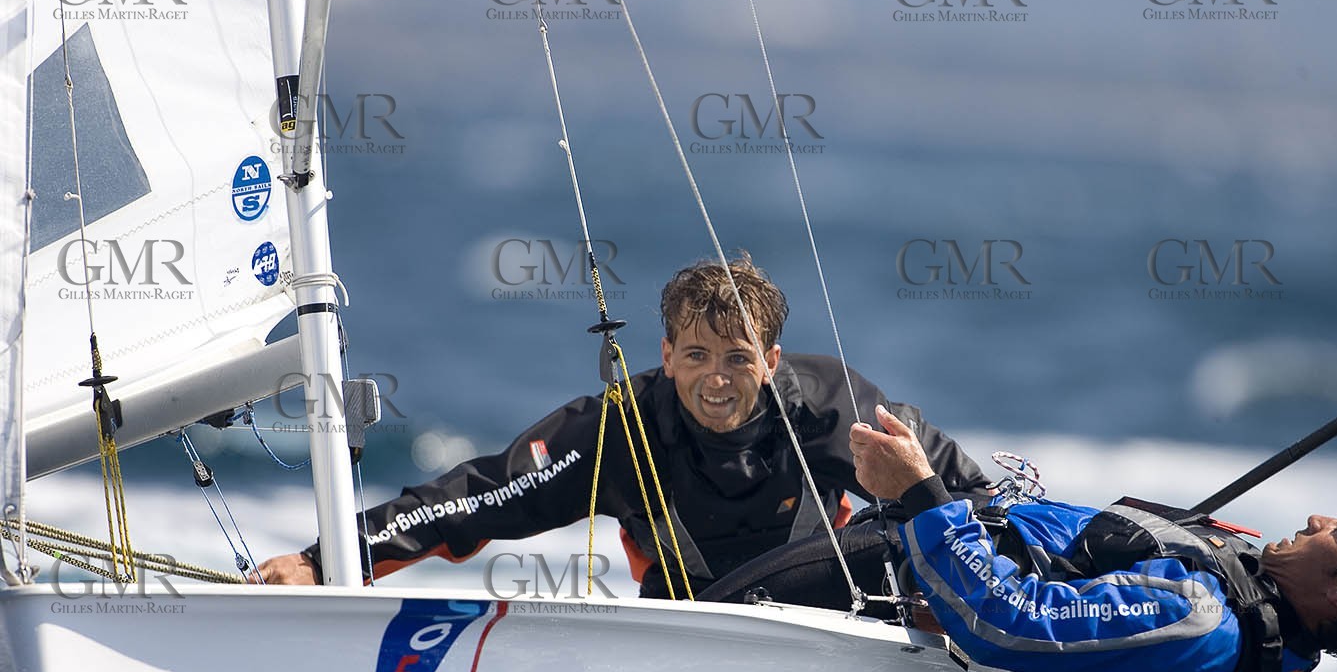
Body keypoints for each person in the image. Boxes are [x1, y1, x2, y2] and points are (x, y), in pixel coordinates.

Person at [700, 404, 1337, 672]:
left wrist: (919, 496)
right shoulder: (1274, 650)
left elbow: (1010, 620)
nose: (1319, 519)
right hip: (955, 551)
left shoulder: (1199, 615)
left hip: (919, 556)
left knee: (709, 616)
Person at [258, 256, 991, 596]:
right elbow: (475, 498)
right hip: (687, 623)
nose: (716, 379)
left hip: (828, 617)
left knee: (908, 542)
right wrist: (327, 559)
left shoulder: (830, 405)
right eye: (696, 355)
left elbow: (964, 494)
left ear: (768, 361)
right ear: (666, 355)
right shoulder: (620, 429)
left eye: (737, 358)